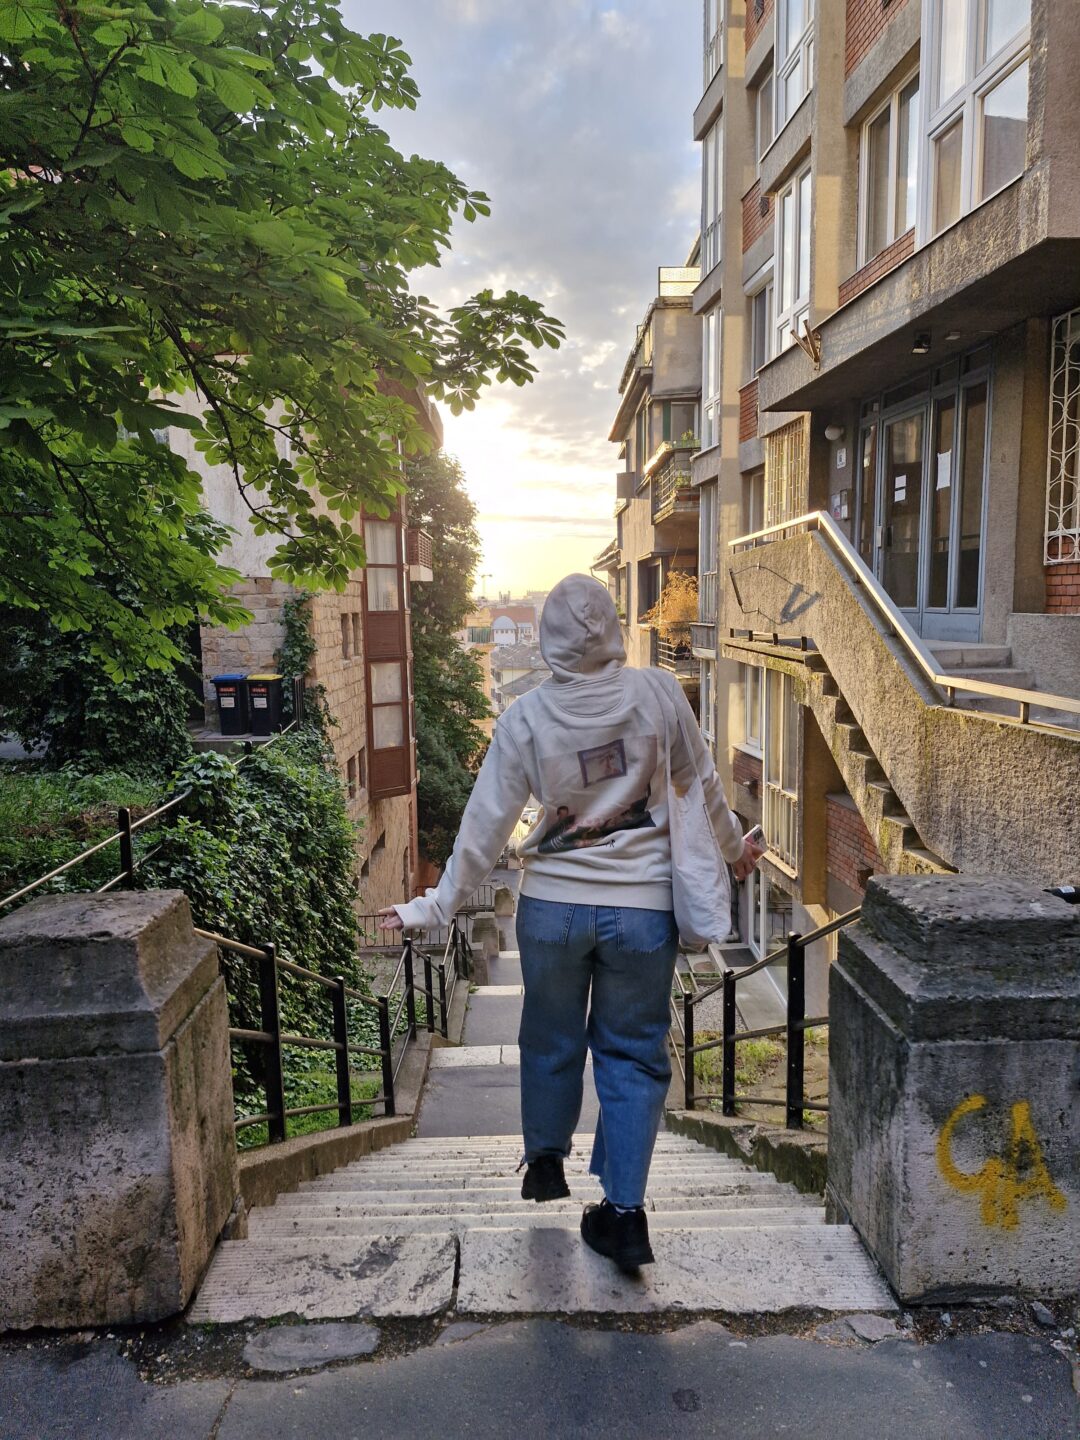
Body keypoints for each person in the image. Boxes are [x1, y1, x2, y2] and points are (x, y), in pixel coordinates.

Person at [379, 574, 762, 1273]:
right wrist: (737, 852)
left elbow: (485, 825)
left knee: (549, 1039)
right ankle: (624, 1214)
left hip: (551, 908)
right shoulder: (660, 695)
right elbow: (703, 786)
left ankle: (547, 1162)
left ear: (549, 642)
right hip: (643, 910)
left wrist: (430, 906)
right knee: (634, 1054)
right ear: (614, 631)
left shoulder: (525, 717)